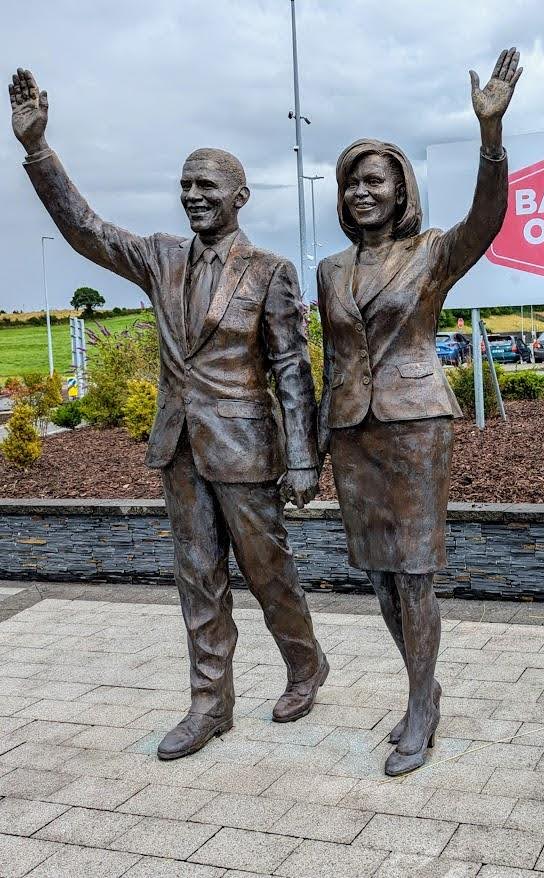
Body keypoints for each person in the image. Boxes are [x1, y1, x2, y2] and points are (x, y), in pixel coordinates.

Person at [9, 68, 328, 760]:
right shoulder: (158, 258)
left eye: (206, 185)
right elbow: (87, 231)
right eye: (186, 185)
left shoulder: (270, 272)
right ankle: (210, 704)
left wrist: (304, 456)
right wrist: (39, 152)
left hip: (245, 447)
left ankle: (305, 664)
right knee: (197, 573)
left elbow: (292, 372)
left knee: (267, 570)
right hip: (179, 445)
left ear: (239, 197)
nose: (193, 196)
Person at [317, 49, 521, 776]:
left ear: (400, 188)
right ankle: (424, 688)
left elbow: (488, 219)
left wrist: (490, 139)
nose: (361, 191)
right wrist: (313, 448)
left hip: (414, 426)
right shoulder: (330, 271)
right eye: (351, 183)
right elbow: (333, 360)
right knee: (376, 574)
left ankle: (418, 707)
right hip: (352, 434)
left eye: (374, 180)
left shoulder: (433, 252)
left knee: (414, 574)